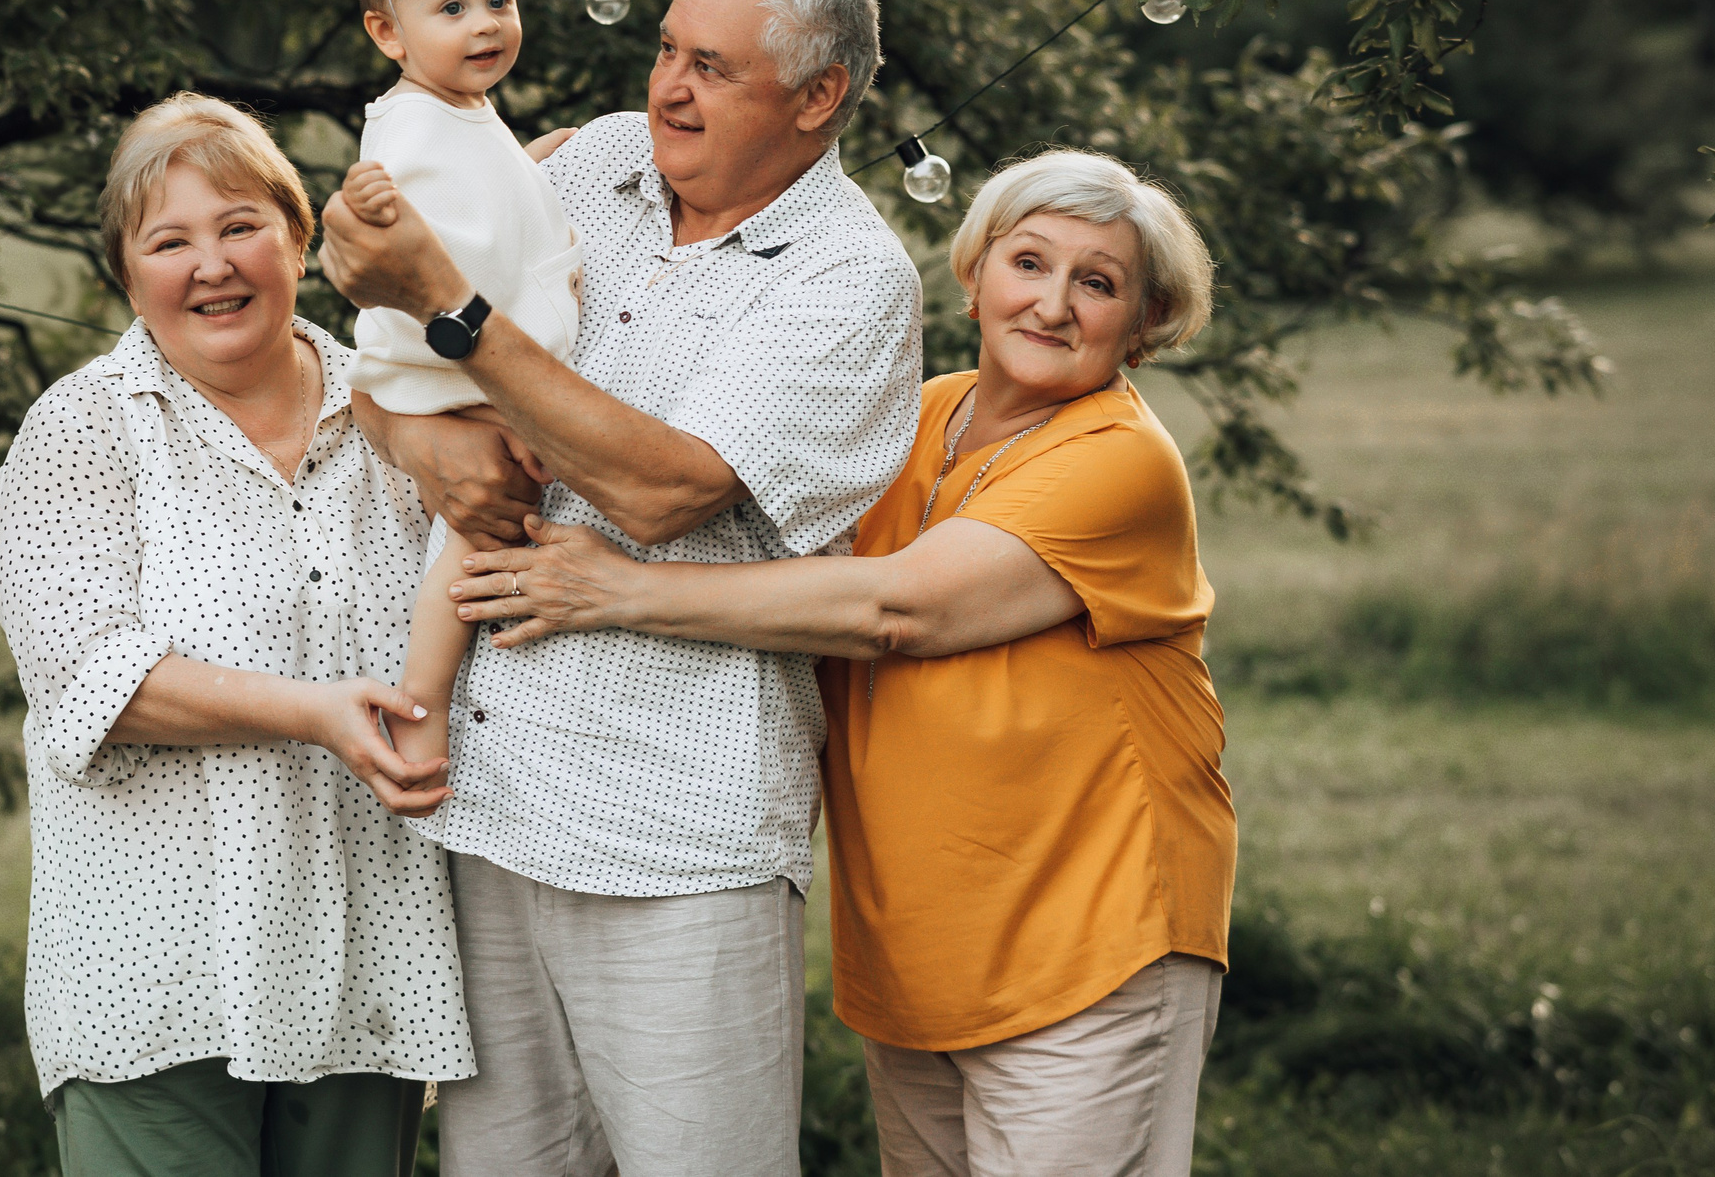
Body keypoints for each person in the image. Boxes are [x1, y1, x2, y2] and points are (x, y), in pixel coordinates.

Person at [445, 147, 1235, 1177]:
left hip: (1090, 936)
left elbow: (895, 609)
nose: (1051, 303)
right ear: (975, 274)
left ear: (1143, 324)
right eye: (1029, 263)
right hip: (923, 950)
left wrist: (620, 589)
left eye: (1098, 284)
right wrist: (502, 161)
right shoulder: (914, 422)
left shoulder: (1117, 460)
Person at [319, 0, 922, 1177]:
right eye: (664, 50)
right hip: (487, 804)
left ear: (820, 98)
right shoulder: (590, 162)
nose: (666, 87)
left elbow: (664, 490)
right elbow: (382, 338)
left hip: (674, 831)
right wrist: (405, 433)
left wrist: (456, 312)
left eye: (712, 67)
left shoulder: (847, 278)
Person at [0, 94, 470, 1177]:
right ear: (127, 272)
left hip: (366, 958)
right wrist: (313, 715)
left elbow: (484, 571)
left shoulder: (394, 408)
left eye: (240, 225)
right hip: (155, 977)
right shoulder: (86, 428)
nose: (212, 265)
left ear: (299, 237)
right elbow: (90, 683)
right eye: (170, 241)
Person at [338, 0, 583, 784]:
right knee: (472, 543)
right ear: (387, 32)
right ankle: (423, 709)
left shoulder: (463, 111)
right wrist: (368, 204)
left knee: (489, 530)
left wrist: (532, 161)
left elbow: (483, 188)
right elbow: (387, 203)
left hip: (480, 363)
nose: (484, 24)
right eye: (451, 10)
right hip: (450, 376)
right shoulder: (405, 127)